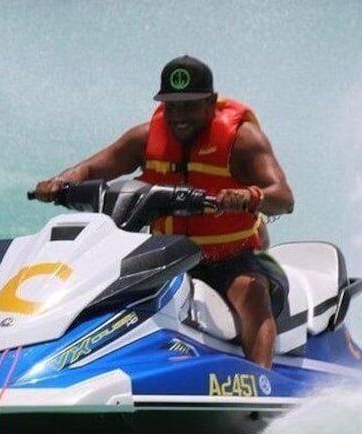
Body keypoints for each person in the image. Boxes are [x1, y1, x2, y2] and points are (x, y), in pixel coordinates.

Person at [33, 55, 294, 369]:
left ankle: (260, 379)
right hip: (167, 255)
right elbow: (91, 168)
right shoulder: (145, 138)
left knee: (252, 296)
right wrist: (61, 182)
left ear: (211, 102)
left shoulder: (242, 139)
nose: (179, 116)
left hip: (229, 257)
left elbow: (283, 197)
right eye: (172, 106)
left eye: (189, 106)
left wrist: (249, 196)